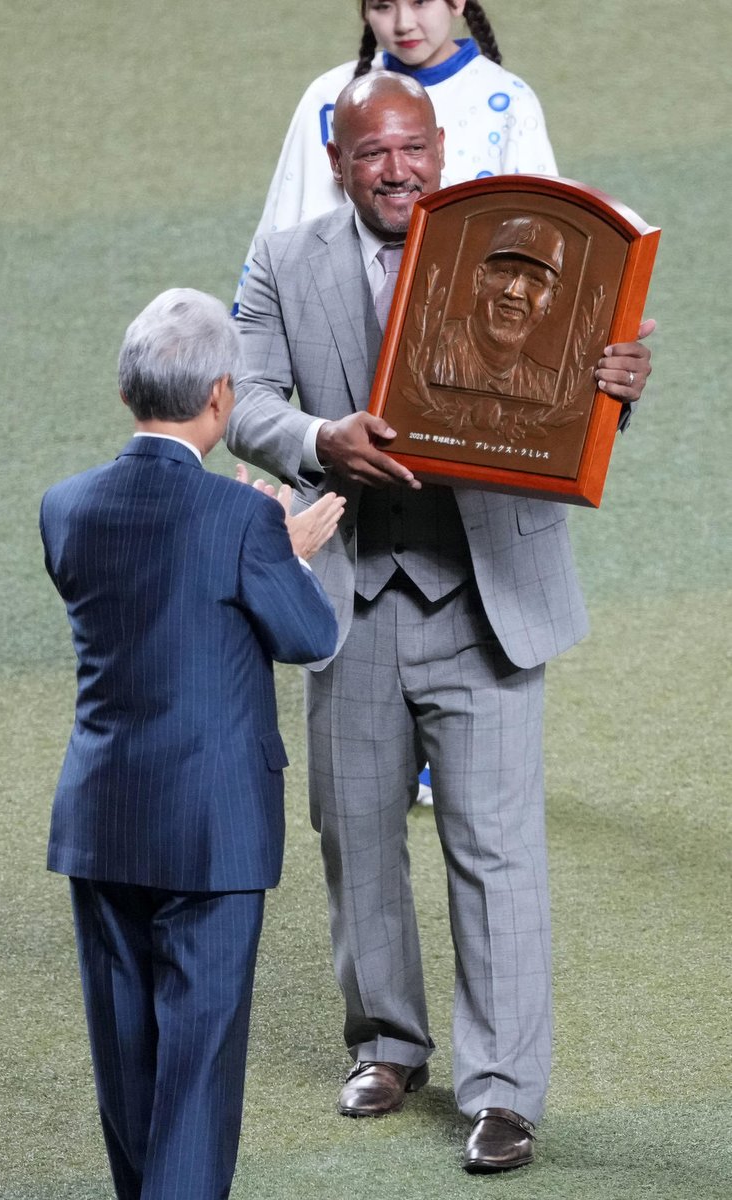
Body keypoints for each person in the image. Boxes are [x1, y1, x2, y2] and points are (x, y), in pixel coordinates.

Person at [226, 72, 654, 1174]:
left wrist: (617, 380)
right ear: (338, 161)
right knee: (354, 834)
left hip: (484, 604)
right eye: (371, 153)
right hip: (352, 601)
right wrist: (324, 442)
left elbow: (576, 381)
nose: (395, 169)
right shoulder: (284, 261)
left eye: (411, 147)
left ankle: (502, 1091)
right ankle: (385, 1044)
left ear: (438, 147)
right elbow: (251, 402)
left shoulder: (516, 251)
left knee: (495, 850)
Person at [39, 288, 343, 1200]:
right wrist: (283, 558)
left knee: (127, 1064)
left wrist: (252, 555)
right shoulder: (240, 520)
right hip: (211, 830)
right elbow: (311, 639)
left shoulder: (66, 507)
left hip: (101, 819)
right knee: (197, 1075)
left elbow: (147, 604)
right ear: (220, 396)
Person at [232, 0, 556, 313]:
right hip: (336, 320)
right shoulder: (327, 97)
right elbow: (286, 226)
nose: (403, 23)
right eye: (383, 5)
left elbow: (541, 239)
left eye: (420, 2)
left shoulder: (511, 101)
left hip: (457, 321)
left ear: (457, 2)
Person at [430, 214, 565, 400]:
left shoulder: (548, 388)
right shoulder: (430, 356)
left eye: (535, 280)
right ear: (479, 279)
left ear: (552, 297)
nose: (514, 291)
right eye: (505, 272)